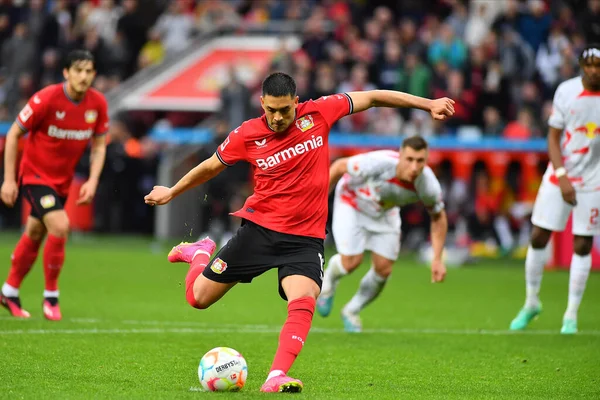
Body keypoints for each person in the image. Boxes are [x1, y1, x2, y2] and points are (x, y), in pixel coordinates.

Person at [144, 72, 454, 393]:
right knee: (197, 299)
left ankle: (276, 375)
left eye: (285, 110)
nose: (278, 118)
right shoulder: (246, 134)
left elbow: (373, 96)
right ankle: (199, 253)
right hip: (259, 231)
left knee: (304, 299)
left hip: (304, 239)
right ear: (262, 103)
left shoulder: (319, 112)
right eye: (271, 110)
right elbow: (211, 165)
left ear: (296, 102)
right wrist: (172, 191)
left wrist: (427, 103)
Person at [0, 50, 109, 321]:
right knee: (60, 226)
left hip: (62, 183)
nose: (84, 76)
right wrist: (9, 179)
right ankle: (51, 298)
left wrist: (93, 180)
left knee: (36, 232)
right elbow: (13, 133)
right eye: (78, 70)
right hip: (35, 177)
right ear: (66, 72)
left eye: (89, 71)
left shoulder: (97, 104)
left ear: (94, 74)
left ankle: (8, 291)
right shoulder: (46, 99)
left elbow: (99, 145)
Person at [509, 44, 600, 334]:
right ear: (581, 66)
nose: (594, 70)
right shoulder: (566, 91)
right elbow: (553, 137)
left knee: (583, 243)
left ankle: (571, 315)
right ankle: (531, 301)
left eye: (598, 66)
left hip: (593, 180)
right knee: (538, 235)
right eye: (589, 65)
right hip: (559, 174)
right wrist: (561, 176)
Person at [316, 136, 447, 332]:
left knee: (384, 269)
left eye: (420, 161)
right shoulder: (380, 162)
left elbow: (438, 217)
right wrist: (316, 202)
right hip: (353, 201)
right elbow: (340, 166)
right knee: (351, 262)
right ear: (400, 155)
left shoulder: (428, 184)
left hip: (385, 212)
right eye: (409, 159)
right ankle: (328, 283)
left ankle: (351, 311)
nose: (414, 167)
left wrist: (437, 259)